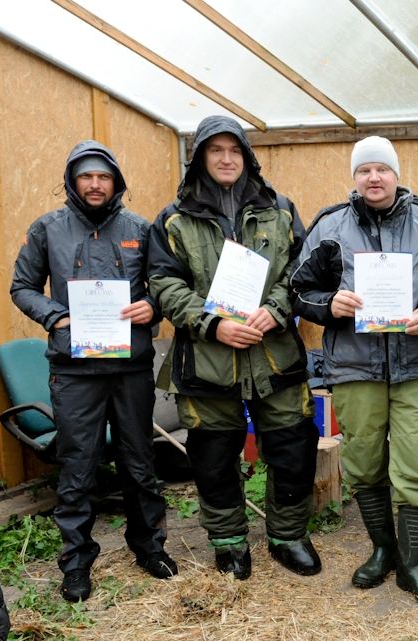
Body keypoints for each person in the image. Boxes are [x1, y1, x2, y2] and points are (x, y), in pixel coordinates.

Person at [290, 136, 418, 606]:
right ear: (355, 176)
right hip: (354, 366)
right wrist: (331, 304)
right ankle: (383, 549)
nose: (374, 177)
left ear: (396, 174)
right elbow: (298, 290)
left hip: (416, 365)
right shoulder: (330, 227)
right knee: (364, 461)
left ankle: (414, 565)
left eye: (382, 169)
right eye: (365, 170)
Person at [148, 116, 321, 579]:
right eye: (215, 150)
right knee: (214, 458)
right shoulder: (174, 219)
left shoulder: (280, 210)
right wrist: (211, 324)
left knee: (292, 449)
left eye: (234, 150)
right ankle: (229, 544)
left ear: (247, 156)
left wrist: (278, 310)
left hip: (275, 354)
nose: (226, 159)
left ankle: (288, 536)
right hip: (208, 363)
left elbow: (301, 272)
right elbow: (163, 283)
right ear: (200, 158)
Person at [10, 141, 177, 602]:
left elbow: (164, 286)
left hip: (131, 368)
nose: (95, 184)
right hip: (74, 371)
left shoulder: (141, 230)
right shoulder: (48, 229)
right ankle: (77, 562)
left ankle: (149, 547)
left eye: (103, 177)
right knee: (77, 468)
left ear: (116, 182)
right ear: (72, 181)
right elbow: (22, 287)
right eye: (86, 176)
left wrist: (152, 306)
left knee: (139, 462)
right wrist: (54, 316)